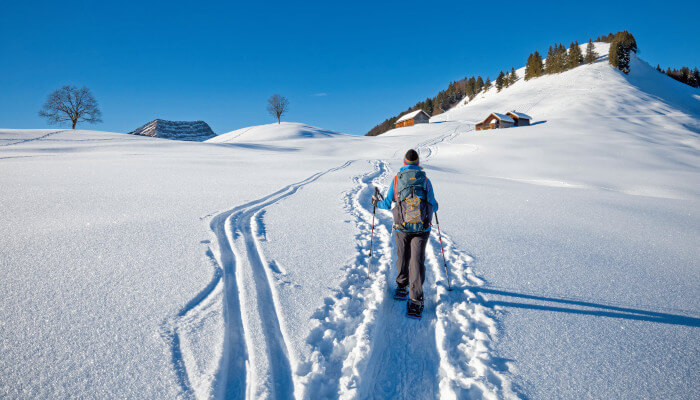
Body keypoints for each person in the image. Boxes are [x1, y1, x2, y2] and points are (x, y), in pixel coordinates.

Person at [372, 149, 438, 317]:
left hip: (401, 227)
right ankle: (416, 300)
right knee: (417, 260)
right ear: (418, 162)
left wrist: (376, 203)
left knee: (403, 256)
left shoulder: (397, 180)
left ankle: (402, 286)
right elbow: (434, 205)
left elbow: (387, 204)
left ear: (404, 162)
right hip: (422, 228)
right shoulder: (425, 181)